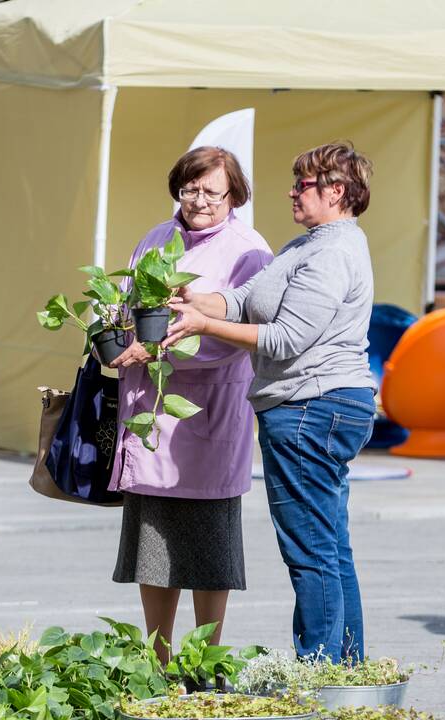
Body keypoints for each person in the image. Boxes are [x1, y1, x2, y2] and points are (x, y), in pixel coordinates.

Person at [164, 142, 377, 662]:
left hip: (311, 406)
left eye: (303, 183)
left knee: (310, 551)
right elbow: (241, 299)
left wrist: (203, 325)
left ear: (337, 191)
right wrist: (192, 299)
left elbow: (284, 339)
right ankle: (345, 669)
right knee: (329, 545)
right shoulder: (308, 245)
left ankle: (320, 670)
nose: (292, 191)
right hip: (316, 405)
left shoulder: (331, 252)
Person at [107, 146, 273, 664]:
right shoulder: (158, 237)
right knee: (152, 549)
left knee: (208, 550)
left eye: (211, 191)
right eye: (190, 188)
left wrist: (156, 346)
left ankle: (206, 661)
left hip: (207, 414)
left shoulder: (250, 251)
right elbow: (126, 303)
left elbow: (237, 336)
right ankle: (157, 658)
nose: (198, 200)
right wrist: (108, 333)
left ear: (234, 195)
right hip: (150, 412)